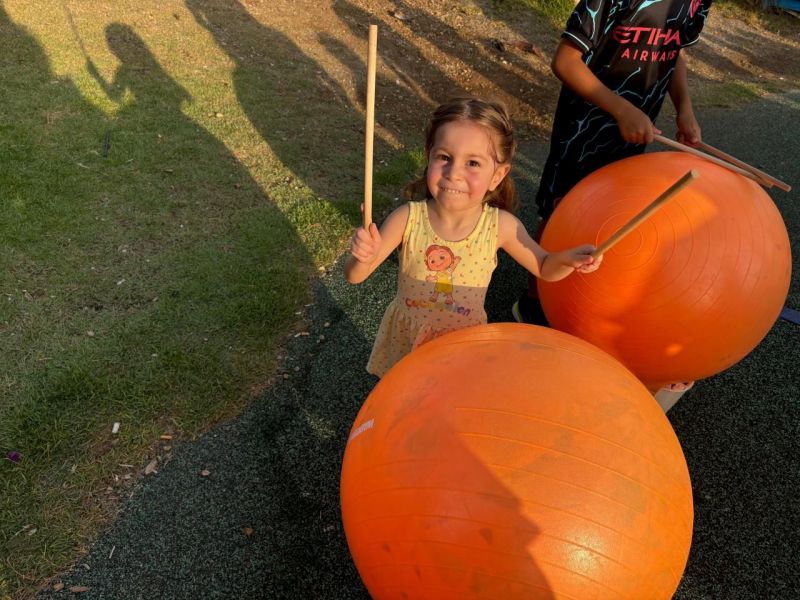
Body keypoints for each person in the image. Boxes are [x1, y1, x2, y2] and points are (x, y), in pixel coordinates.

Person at [345, 98, 603, 377]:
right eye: (444, 157)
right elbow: (356, 276)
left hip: (463, 343)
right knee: (406, 402)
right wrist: (362, 256)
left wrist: (569, 260)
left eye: (472, 163)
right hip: (408, 338)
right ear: (429, 156)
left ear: (497, 175)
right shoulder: (406, 217)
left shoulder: (500, 227)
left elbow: (543, 267)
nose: (453, 173)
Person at [513, 0, 713, 328]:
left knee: (611, 210)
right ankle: (533, 302)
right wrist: (621, 110)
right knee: (559, 211)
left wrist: (685, 110)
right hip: (583, 129)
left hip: (634, 132)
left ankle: (581, 295)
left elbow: (675, 50)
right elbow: (565, 61)